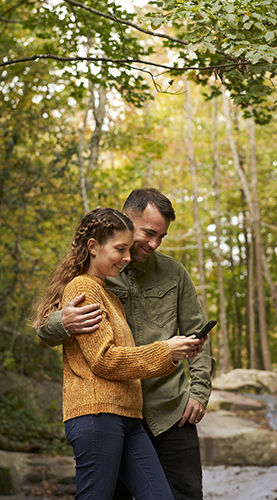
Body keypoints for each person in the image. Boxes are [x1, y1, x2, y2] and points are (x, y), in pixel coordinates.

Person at [37, 190, 216, 500]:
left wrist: (199, 392)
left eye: (161, 236)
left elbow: (198, 334)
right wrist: (63, 322)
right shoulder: (93, 277)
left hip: (170, 411)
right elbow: (47, 334)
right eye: (148, 233)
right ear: (126, 220)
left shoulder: (174, 273)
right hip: (110, 411)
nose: (154, 243)